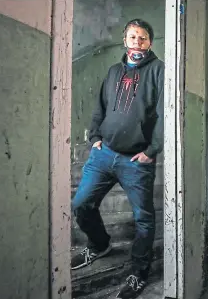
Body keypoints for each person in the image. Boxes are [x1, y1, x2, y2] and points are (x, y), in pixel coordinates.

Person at [70, 18, 164, 299]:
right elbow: (99, 107)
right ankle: (100, 245)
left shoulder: (159, 71)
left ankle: (139, 273)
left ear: (150, 42)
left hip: (136, 161)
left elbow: (164, 113)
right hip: (104, 154)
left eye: (143, 38)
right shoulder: (113, 72)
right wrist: (95, 138)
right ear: (125, 41)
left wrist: (151, 151)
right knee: (81, 204)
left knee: (143, 219)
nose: (137, 42)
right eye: (133, 37)